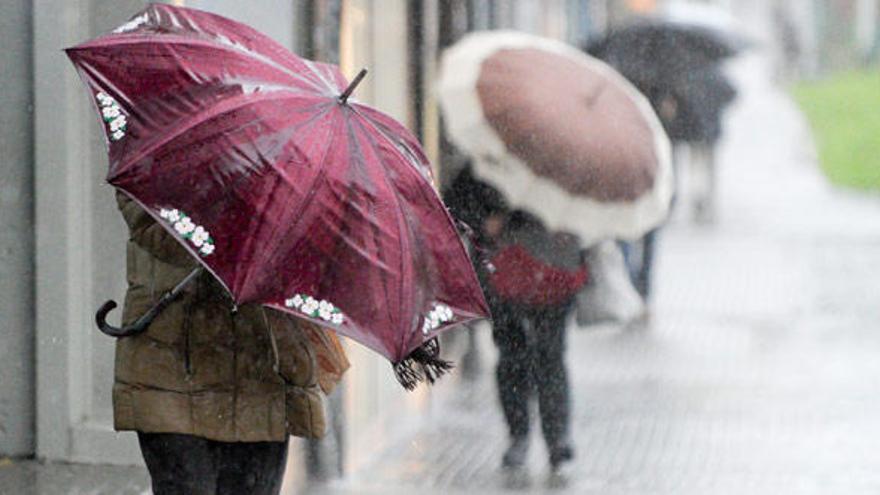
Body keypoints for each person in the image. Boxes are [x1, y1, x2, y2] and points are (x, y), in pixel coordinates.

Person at [113, 192, 350, 495]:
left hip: (260, 371)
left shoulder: (291, 173)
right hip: (172, 366)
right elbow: (153, 229)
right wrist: (228, 212)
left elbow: (318, 260)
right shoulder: (161, 156)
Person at [444, 168, 586, 471]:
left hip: (553, 272)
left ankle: (557, 438)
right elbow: (456, 203)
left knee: (550, 354)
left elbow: (587, 210)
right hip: (506, 275)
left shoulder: (568, 159)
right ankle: (519, 435)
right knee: (513, 356)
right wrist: (487, 220)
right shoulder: (493, 154)